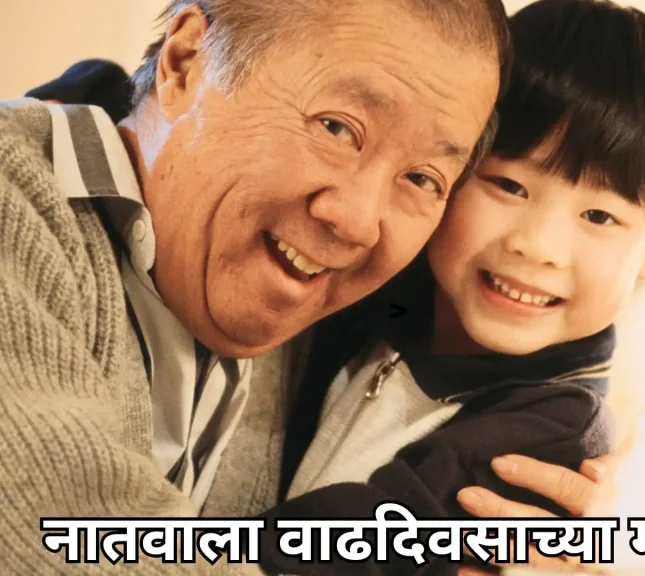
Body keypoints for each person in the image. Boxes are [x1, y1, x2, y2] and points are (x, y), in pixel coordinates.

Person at [0, 0, 507, 572]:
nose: (360, 223)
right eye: (336, 127)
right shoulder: (18, 201)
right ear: (186, 62)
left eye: (421, 178)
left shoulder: (329, 336)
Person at [257, 0, 645, 573]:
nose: (538, 245)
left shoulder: (552, 442)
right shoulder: (373, 294)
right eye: (509, 186)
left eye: (599, 217)